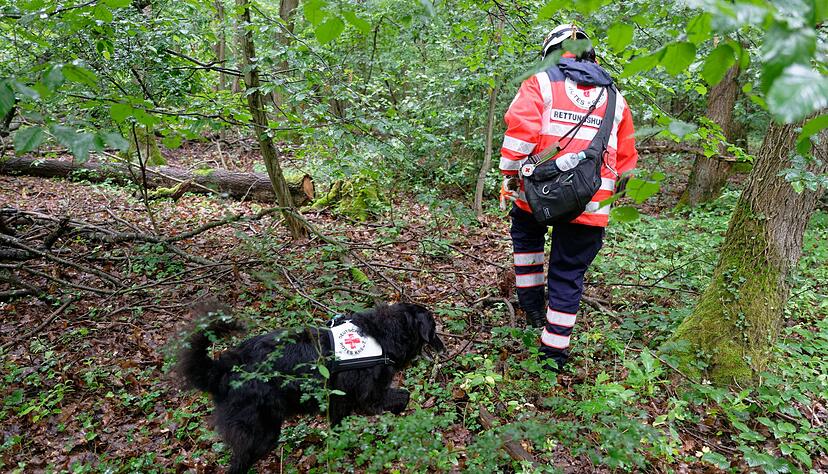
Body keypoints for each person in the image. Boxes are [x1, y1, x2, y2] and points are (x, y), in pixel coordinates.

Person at [499, 24, 638, 371]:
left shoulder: (540, 82)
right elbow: (626, 160)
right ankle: (553, 356)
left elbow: (521, 133)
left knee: (526, 236)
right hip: (590, 202)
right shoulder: (616, 98)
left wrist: (510, 176)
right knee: (568, 273)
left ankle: (531, 306)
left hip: (538, 193)